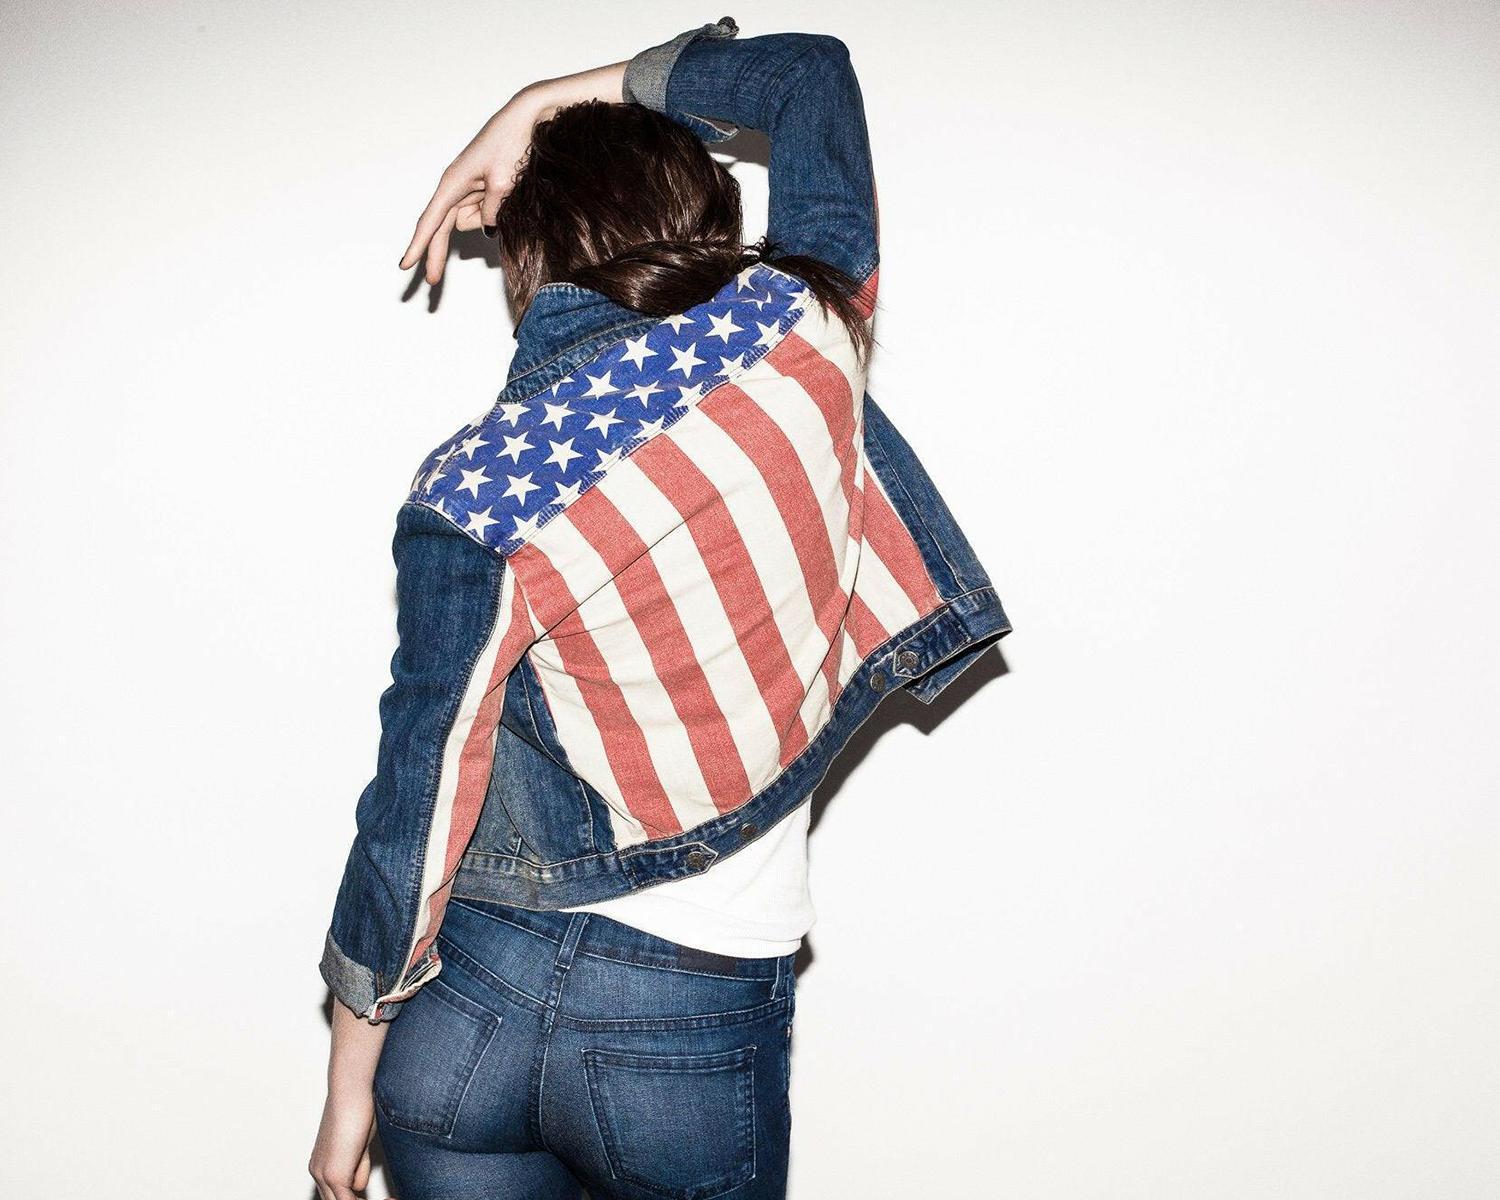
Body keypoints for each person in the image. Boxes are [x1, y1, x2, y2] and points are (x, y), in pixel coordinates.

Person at [309, 17, 1011, 1200]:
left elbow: (417, 795)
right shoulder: (803, 326)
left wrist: (346, 1087)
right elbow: (807, 74)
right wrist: (539, 101)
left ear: (526, 262)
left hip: (465, 1014)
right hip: (681, 1018)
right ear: (711, 222)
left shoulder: (475, 484)